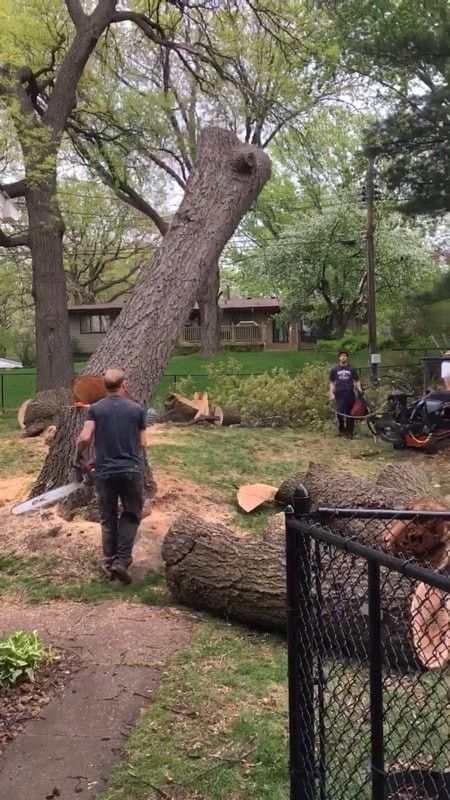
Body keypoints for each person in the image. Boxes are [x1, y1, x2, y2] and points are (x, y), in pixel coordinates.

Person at [76, 368, 147, 584]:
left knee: (108, 517)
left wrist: (81, 456)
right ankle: (122, 560)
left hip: (105, 471)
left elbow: (85, 437)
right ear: (123, 385)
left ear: (105, 386)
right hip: (131, 470)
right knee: (131, 514)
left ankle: (109, 562)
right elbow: (143, 443)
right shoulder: (137, 410)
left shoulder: (95, 410)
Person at [329, 350, 362, 438]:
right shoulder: (335, 369)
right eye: (341, 356)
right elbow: (332, 382)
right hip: (339, 393)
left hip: (349, 393)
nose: (343, 357)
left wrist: (359, 391)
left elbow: (357, 380)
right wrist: (331, 393)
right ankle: (341, 429)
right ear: (339, 358)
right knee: (339, 412)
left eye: (345, 356)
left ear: (347, 358)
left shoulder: (352, 369)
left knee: (350, 413)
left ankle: (349, 432)